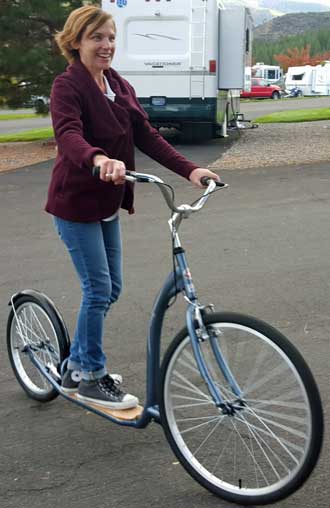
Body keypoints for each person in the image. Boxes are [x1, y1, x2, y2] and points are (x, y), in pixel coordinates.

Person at [46, 5, 220, 410]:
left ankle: (75, 366)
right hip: (75, 203)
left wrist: (191, 170)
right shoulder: (67, 86)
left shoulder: (117, 84)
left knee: (112, 288)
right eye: (97, 38)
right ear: (75, 42)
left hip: (107, 201)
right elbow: (68, 135)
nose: (106, 46)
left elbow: (146, 134)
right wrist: (98, 159)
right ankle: (88, 376)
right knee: (98, 290)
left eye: (110, 38)